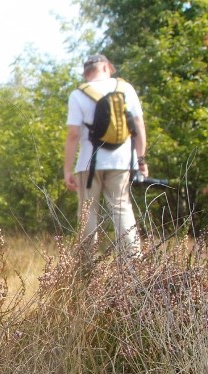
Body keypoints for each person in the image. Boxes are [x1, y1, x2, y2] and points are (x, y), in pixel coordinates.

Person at [64, 53, 147, 254]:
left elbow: (73, 134)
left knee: (88, 213)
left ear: (86, 73)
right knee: (121, 208)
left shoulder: (78, 94)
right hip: (123, 161)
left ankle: (87, 269)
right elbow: (138, 126)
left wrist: (67, 169)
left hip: (88, 163)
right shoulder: (125, 89)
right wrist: (141, 160)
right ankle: (132, 263)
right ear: (107, 67)